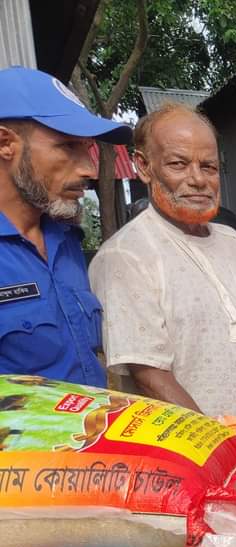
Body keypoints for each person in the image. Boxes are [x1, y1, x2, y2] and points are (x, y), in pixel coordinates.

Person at [89, 102, 236, 495]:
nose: (197, 179)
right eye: (178, 164)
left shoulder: (232, 243)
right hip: (192, 468)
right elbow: (150, 374)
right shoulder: (127, 255)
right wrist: (218, 453)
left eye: (208, 166)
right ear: (144, 167)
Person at [0, 66, 131, 386]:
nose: (89, 170)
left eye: (87, 149)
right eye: (68, 147)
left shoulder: (66, 240)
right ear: (5, 143)